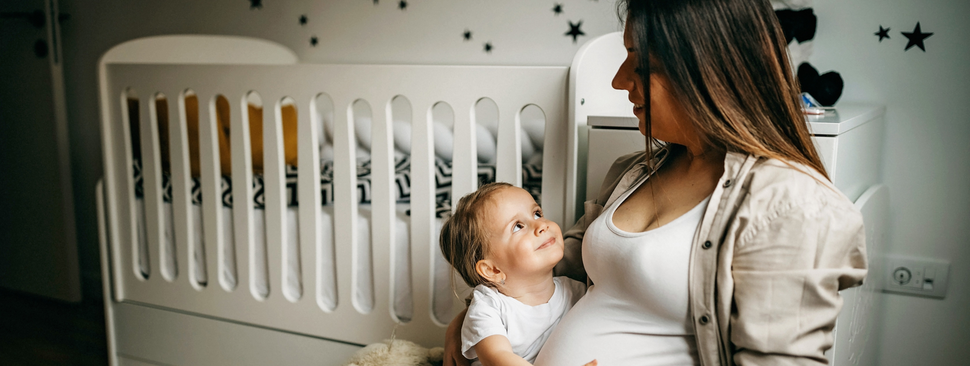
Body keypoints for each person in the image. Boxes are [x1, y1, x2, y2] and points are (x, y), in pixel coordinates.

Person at [444, 0, 867, 365]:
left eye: (641, 63)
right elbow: (551, 267)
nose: (619, 80)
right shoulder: (635, 171)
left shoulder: (788, 204)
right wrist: (472, 322)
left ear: (708, 71)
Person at [439, 182, 591, 366]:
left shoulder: (577, 291)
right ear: (493, 270)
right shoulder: (488, 308)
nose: (541, 225)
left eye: (537, 213)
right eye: (518, 227)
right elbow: (499, 357)